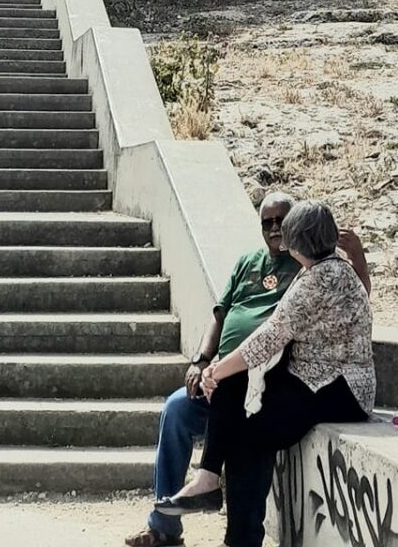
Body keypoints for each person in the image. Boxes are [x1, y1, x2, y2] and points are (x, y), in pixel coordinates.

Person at [128, 194, 369, 547]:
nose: (278, 233)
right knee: (213, 410)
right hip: (305, 378)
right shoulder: (311, 270)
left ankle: (221, 504)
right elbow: (224, 314)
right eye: (269, 224)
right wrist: (206, 363)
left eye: (284, 227)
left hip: (334, 386)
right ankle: (201, 499)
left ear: (300, 239)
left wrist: (217, 371)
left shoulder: (321, 277)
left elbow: (273, 335)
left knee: (246, 424)